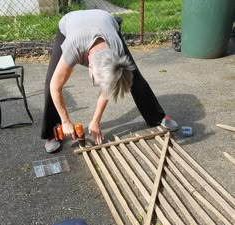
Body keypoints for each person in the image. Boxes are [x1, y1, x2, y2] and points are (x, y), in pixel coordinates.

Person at [41, 9, 178, 153]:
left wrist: (96, 121)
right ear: (90, 66)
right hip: (71, 23)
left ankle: (156, 116)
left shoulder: (116, 49)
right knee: (51, 82)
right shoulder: (73, 46)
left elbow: (111, 83)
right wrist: (66, 121)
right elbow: (55, 87)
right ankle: (52, 134)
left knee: (133, 77)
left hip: (104, 21)